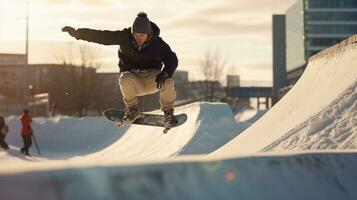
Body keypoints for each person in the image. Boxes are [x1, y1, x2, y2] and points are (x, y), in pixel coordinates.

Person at [62, 12, 178, 127]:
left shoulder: (158, 43)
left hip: (152, 79)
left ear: (149, 34)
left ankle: (168, 113)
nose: (138, 38)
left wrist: (165, 73)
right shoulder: (124, 37)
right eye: (136, 35)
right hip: (133, 81)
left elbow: (172, 58)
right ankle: (133, 110)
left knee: (167, 81)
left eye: (141, 36)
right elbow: (102, 36)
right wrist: (78, 33)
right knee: (124, 78)